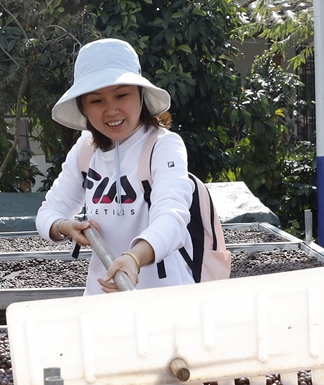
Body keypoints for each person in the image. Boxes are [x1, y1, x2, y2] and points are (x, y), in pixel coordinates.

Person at [36, 38, 226, 295]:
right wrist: (64, 227)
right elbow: (49, 211)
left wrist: (134, 259)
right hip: (102, 297)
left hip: (162, 298)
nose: (111, 110)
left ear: (141, 95)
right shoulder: (86, 149)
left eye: (122, 95)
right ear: (83, 107)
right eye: (96, 101)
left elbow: (171, 218)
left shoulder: (163, 145)